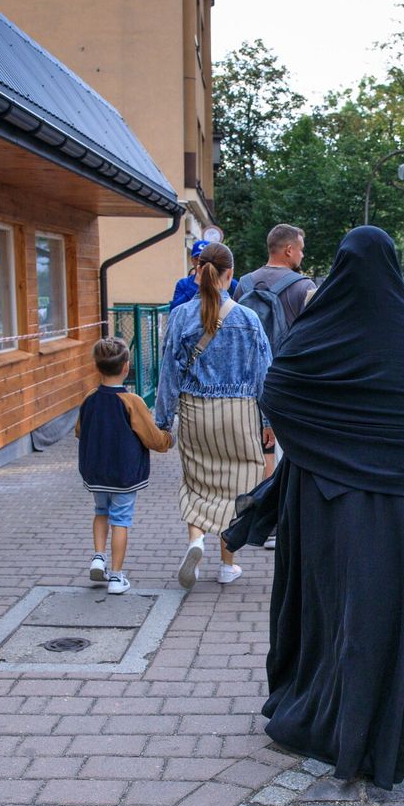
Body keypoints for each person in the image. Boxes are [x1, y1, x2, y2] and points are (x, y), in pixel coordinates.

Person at [258, 226, 404, 790]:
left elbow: (276, 390)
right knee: (388, 618)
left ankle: (322, 713)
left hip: (329, 502)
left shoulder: (319, 327)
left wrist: (327, 449)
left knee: (331, 612)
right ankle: (380, 732)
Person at [155, 242, 273, 588]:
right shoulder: (248, 318)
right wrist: (268, 422)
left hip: (195, 411)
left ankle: (195, 541)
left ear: (197, 271)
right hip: (239, 413)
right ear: (230, 274)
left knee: (197, 481)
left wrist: (163, 422)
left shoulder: (179, 316)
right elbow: (264, 375)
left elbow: (169, 373)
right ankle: (227, 565)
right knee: (237, 487)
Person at [77, 337, 173, 595]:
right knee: (121, 519)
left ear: (97, 367)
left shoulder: (89, 398)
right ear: (126, 368)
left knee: (100, 511)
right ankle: (117, 577)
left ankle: (99, 556)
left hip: (96, 471)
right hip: (124, 474)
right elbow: (153, 438)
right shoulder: (132, 401)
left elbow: (79, 431)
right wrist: (168, 439)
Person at [234, 224, 317, 484]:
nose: (302, 255)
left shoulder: (243, 285)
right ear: (289, 250)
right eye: (301, 250)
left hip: (247, 382)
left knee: (256, 451)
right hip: (288, 381)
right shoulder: (304, 287)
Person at [169, 240, 238, 310]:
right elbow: (174, 310)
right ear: (192, 260)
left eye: (206, 260)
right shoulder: (183, 284)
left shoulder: (228, 281)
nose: (201, 263)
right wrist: (195, 285)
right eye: (197, 259)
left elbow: (241, 305)